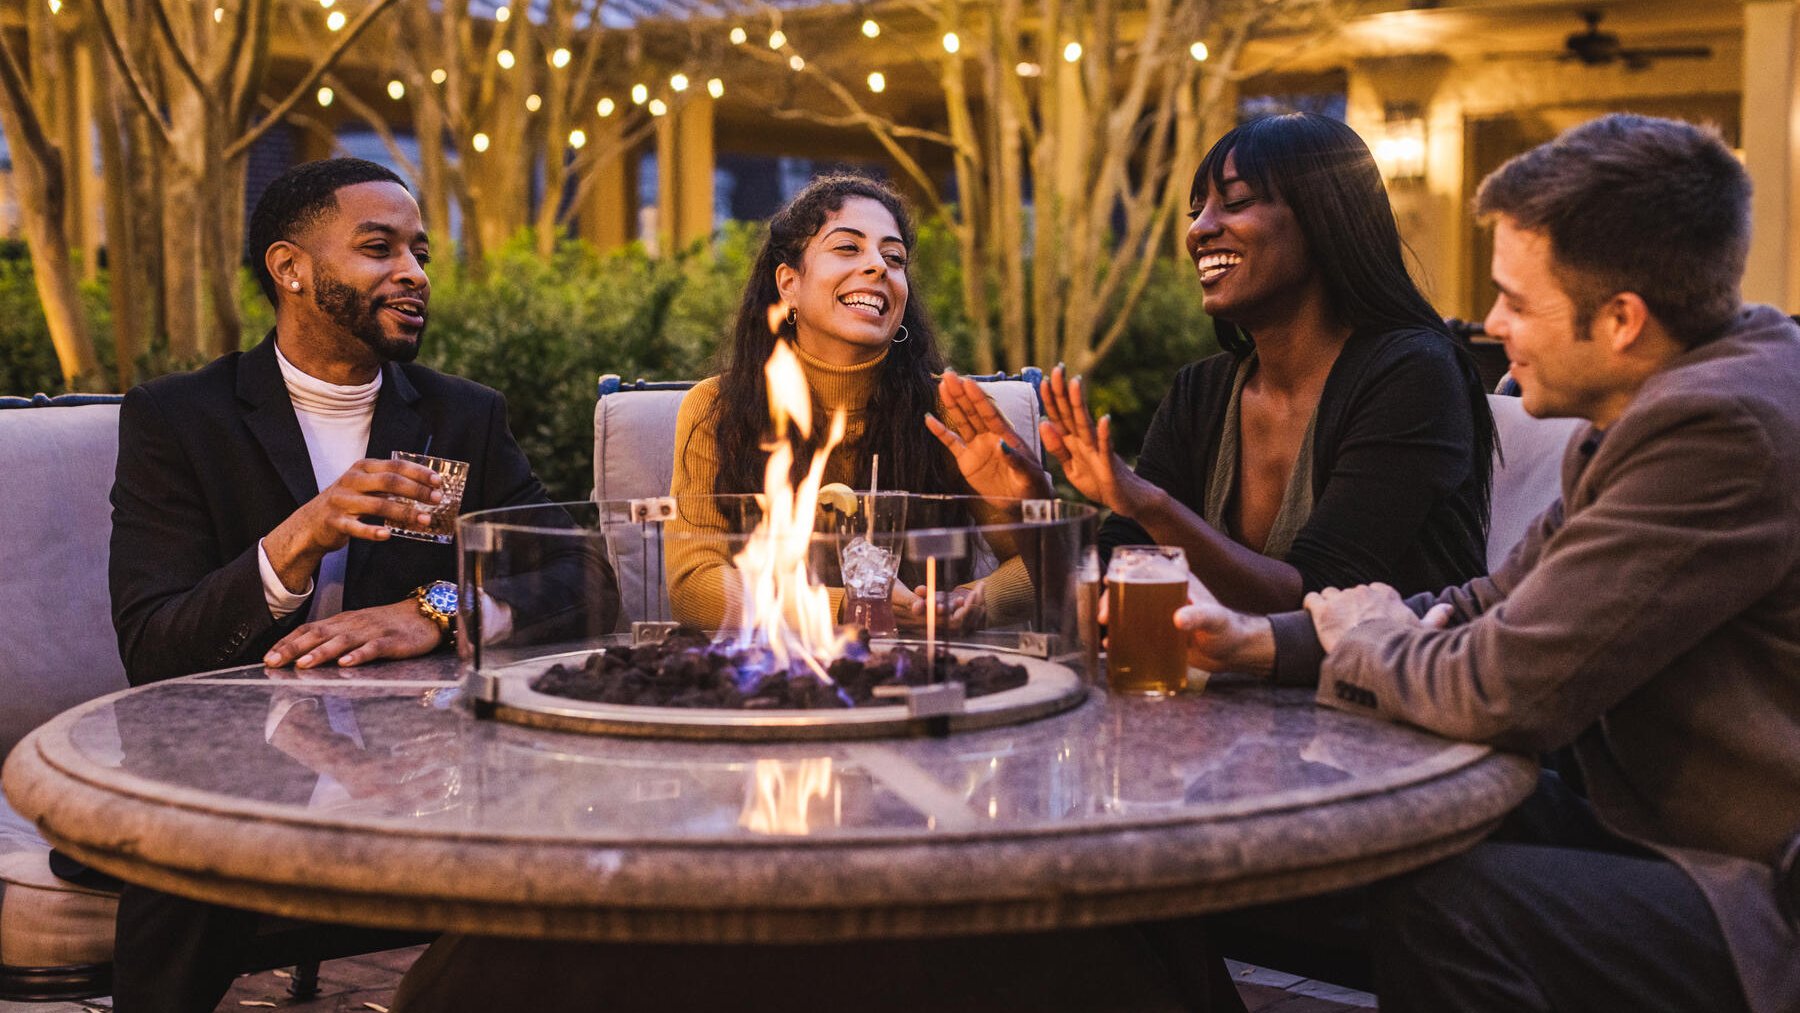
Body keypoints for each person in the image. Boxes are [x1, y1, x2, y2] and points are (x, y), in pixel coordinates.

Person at [1177, 114, 1800, 1013]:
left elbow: (1500, 688)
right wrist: (1264, 643)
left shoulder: (1717, 429)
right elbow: (1490, 599)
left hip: (1757, 885)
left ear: (1621, 319)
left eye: (1516, 298)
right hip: (1646, 816)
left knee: (1449, 906)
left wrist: (1366, 634)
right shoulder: (1675, 392)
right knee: (1306, 842)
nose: (1490, 322)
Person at [106, 157, 617, 1011]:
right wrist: (300, 535)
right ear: (290, 268)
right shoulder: (178, 419)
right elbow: (155, 650)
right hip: (235, 779)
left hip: (430, 772)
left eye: (420, 252)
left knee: (573, 861)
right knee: (176, 875)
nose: (413, 273)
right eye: (379, 247)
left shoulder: (463, 416)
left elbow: (589, 579)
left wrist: (437, 608)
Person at [1040, 113, 1494, 613]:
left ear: (1325, 219)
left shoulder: (1412, 375)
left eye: (1235, 203)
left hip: (1394, 685)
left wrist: (1149, 504)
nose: (1200, 231)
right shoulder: (1201, 392)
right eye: (1196, 212)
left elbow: (1318, 602)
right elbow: (1111, 580)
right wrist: (1021, 503)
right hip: (1229, 689)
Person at [665, 173, 1047, 632]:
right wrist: (848, 607)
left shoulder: (950, 410)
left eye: (894, 257)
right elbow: (693, 584)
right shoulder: (716, 409)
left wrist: (972, 602)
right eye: (848, 248)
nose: (878, 267)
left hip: (919, 673)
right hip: (768, 679)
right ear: (788, 282)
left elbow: (1042, 565)